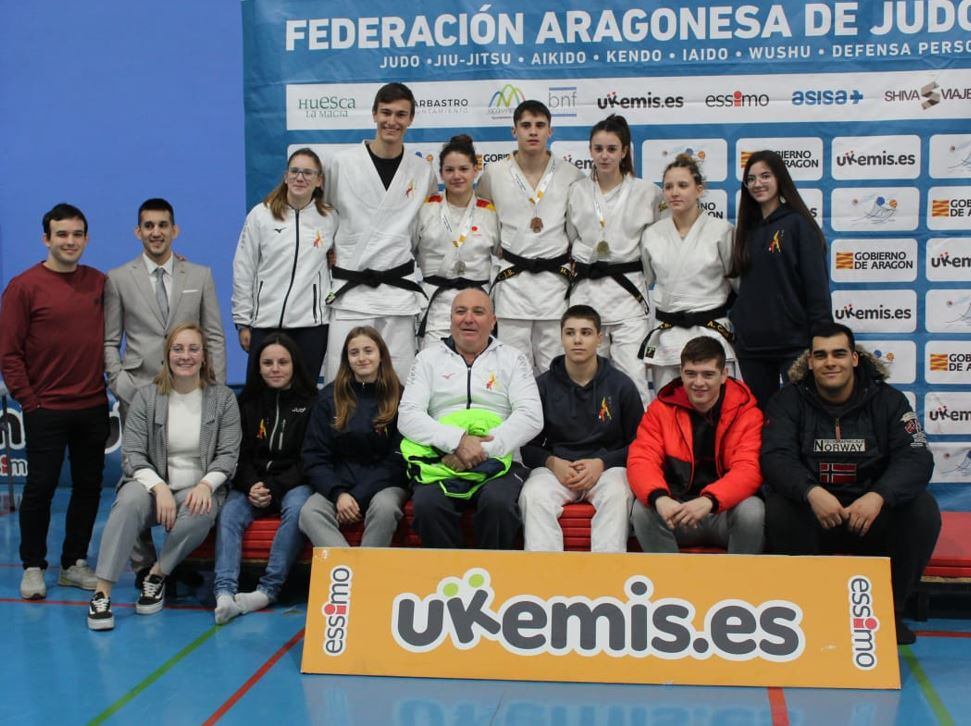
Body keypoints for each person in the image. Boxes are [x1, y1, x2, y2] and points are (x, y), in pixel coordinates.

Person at [761, 322, 939, 645]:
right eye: (822, 355)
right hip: (814, 516)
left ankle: (890, 612)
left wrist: (878, 496)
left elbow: (917, 458)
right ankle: (807, 610)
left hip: (869, 516)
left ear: (854, 359)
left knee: (923, 510)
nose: (831, 362)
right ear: (810, 361)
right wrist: (811, 492)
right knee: (777, 508)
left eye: (839, 354)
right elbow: (775, 457)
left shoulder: (890, 401)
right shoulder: (787, 401)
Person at [87, 324, 241, 631]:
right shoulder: (146, 397)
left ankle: (157, 575)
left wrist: (204, 485)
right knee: (128, 503)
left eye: (193, 349)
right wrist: (159, 488)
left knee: (203, 507)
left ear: (204, 357)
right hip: (150, 485)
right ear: (167, 355)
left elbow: (227, 456)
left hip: (197, 486)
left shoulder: (223, 399)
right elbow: (132, 454)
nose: (186, 356)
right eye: (178, 349)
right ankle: (101, 593)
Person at [0, 203, 109, 600]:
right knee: (41, 487)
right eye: (61, 234)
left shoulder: (99, 282)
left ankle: (73, 563)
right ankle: (32, 565)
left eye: (77, 234)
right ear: (46, 238)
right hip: (45, 409)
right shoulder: (23, 286)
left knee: (88, 486)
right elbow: (8, 353)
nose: (70, 241)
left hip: (93, 405)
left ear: (86, 238)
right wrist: (30, 401)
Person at [398, 288, 542, 548]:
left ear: (493, 320)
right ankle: (446, 582)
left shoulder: (513, 359)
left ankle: (496, 580)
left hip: (501, 461)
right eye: (460, 311)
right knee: (428, 506)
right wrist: (456, 442)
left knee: (497, 506)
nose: (468, 319)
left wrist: (480, 449)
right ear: (450, 318)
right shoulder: (427, 359)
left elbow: (531, 416)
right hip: (442, 461)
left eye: (478, 312)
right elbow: (408, 416)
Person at [324, 83, 437, 383]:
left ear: (411, 119)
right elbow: (325, 218)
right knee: (342, 380)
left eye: (401, 114)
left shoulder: (422, 171)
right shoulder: (341, 164)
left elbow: (424, 231)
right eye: (386, 112)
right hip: (351, 290)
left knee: (397, 382)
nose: (392, 121)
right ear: (374, 114)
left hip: (398, 291)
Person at [519, 305, 642, 552]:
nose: (577, 340)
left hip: (606, 470)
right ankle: (544, 577)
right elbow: (527, 447)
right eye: (570, 333)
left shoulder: (621, 385)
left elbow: (640, 444)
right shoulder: (542, 386)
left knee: (618, 494)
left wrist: (602, 463)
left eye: (586, 333)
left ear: (599, 338)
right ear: (561, 338)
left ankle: (607, 575)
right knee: (533, 496)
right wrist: (553, 463)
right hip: (558, 470)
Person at [212, 333, 315, 624]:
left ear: (294, 365)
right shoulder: (245, 403)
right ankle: (224, 593)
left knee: (298, 509)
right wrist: (250, 485)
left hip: (293, 484)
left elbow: (309, 458)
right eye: (268, 362)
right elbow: (237, 454)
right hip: (252, 483)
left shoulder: (311, 403)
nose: (275, 368)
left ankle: (267, 590)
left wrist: (274, 486)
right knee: (229, 513)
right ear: (258, 367)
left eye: (283, 362)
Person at [628, 336, 764, 555]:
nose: (698, 382)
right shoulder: (660, 410)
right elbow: (641, 459)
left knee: (752, 510)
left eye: (708, 374)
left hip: (723, 512)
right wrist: (660, 498)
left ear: (724, 376)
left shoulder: (747, 412)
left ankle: (739, 585)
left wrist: (710, 500)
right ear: (681, 373)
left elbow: (749, 469)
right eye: (691, 373)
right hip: (677, 511)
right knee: (643, 510)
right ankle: (669, 584)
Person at [477, 99, 584, 374]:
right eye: (525, 125)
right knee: (513, 369)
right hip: (513, 284)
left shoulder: (571, 175)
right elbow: (482, 221)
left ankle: (555, 419)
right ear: (514, 131)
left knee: (556, 369)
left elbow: (576, 228)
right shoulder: (494, 173)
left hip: (554, 286)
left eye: (540, 125)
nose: (533, 132)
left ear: (550, 131)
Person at [567, 114, 661, 403]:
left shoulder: (648, 192)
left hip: (628, 296)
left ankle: (640, 445)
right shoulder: (577, 190)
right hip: (586, 294)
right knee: (585, 377)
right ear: (590, 151)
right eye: (598, 149)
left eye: (611, 149)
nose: (604, 156)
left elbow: (656, 243)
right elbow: (572, 236)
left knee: (632, 376)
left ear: (624, 151)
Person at [729, 149, 832, 409]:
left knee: (800, 416)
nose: (757, 183)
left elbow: (816, 289)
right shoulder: (746, 231)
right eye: (750, 179)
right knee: (759, 421)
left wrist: (821, 342)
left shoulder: (799, 225)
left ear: (779, 179)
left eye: (765, 176)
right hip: (752, 347)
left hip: (794, 345)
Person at [105, 198, 227, 417]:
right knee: (138, 453)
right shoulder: (118, 278)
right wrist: (119, 383)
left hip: (192, 390)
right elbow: (109, 341)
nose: (156, 232)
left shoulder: (200, 276)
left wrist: (216, 388)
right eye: (148, 226)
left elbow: (214, 336)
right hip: (137, 391)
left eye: (163, 225)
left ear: (175, 230)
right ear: (138, 232)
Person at [232, 147, 337, 382]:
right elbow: (243, 268)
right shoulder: (261, 216)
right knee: (260, 400)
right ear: (286, 176)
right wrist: (242, 322)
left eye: (308, 173)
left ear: (319, 180)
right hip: (266, 323)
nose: (300, 177)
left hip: (311, 326)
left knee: (304, 399)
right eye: (295, 171)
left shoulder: (330, 218)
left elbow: (340, 260)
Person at [299, 327, 409, 548]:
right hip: (338, 483)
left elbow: (398, 459)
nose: (362, 358)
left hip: (384, 484)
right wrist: (339, 494)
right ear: (346, 359)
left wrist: (357, 496)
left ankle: (366, 575)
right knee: (309, 513)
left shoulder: (401, 397)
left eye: (368, 351)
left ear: (381, 355)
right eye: (354, 352)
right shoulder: (328, 398)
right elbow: (314, 456)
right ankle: (351, 571)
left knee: (385, 509)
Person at [640, 154, 737, 393]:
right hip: (668, 334)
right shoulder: (652, 234)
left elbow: (737, 283)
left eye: (683, 185)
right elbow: (647, 280)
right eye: (668, 186)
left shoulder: (722, 231)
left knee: (717, 410)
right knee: (669, 410)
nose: (674, 192)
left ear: (699, 190)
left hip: (711, 331)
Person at [414, 134, 498, 349]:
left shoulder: (489, 212)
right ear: (440, 173)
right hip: (436, 306)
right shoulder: (426, 210)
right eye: (449, 170)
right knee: (435, 371)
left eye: (463, 169)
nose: (456, 176)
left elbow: (502, 255)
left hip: (478, 305)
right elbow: (407, 251)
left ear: (475, 170)